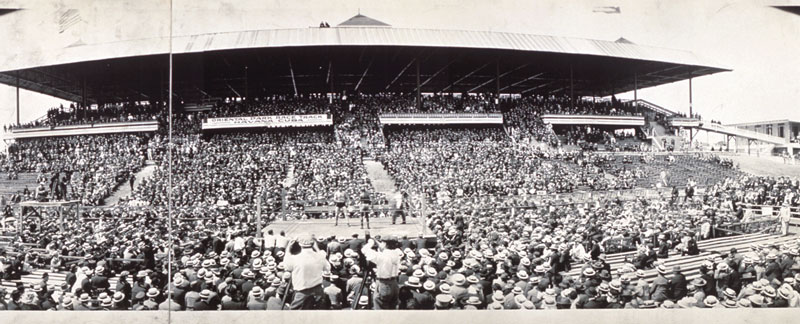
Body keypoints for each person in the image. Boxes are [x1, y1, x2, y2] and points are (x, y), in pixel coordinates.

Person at [283, 233, 331, 309]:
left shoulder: (294, 259)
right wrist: (318, 250)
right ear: (313, 244)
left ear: (300, 244)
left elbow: (287, 267)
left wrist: (288, 249)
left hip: (302, 292)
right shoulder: (320, 257)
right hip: (318, 291)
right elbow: (327, 268)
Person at [361, 235, 403, 309]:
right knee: (391, 307)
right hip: (394, 283)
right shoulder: (396, 253)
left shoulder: (382, 256)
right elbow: (384, 248)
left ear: (385, 244)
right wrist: (377, 242)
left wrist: (370, 242)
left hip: (384, 284)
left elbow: (364, 250)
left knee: (380, 305)